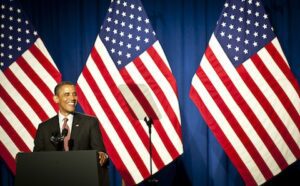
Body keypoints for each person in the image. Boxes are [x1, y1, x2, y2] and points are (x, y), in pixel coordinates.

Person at [33, 81, 109, 186]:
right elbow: (37, 158)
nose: (73, 98)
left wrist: (102, 155)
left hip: (83, 179)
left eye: (74, 94)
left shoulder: (90, 122)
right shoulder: (44, 127)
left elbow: (100, 152)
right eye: (67, 94)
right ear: (56, 99)